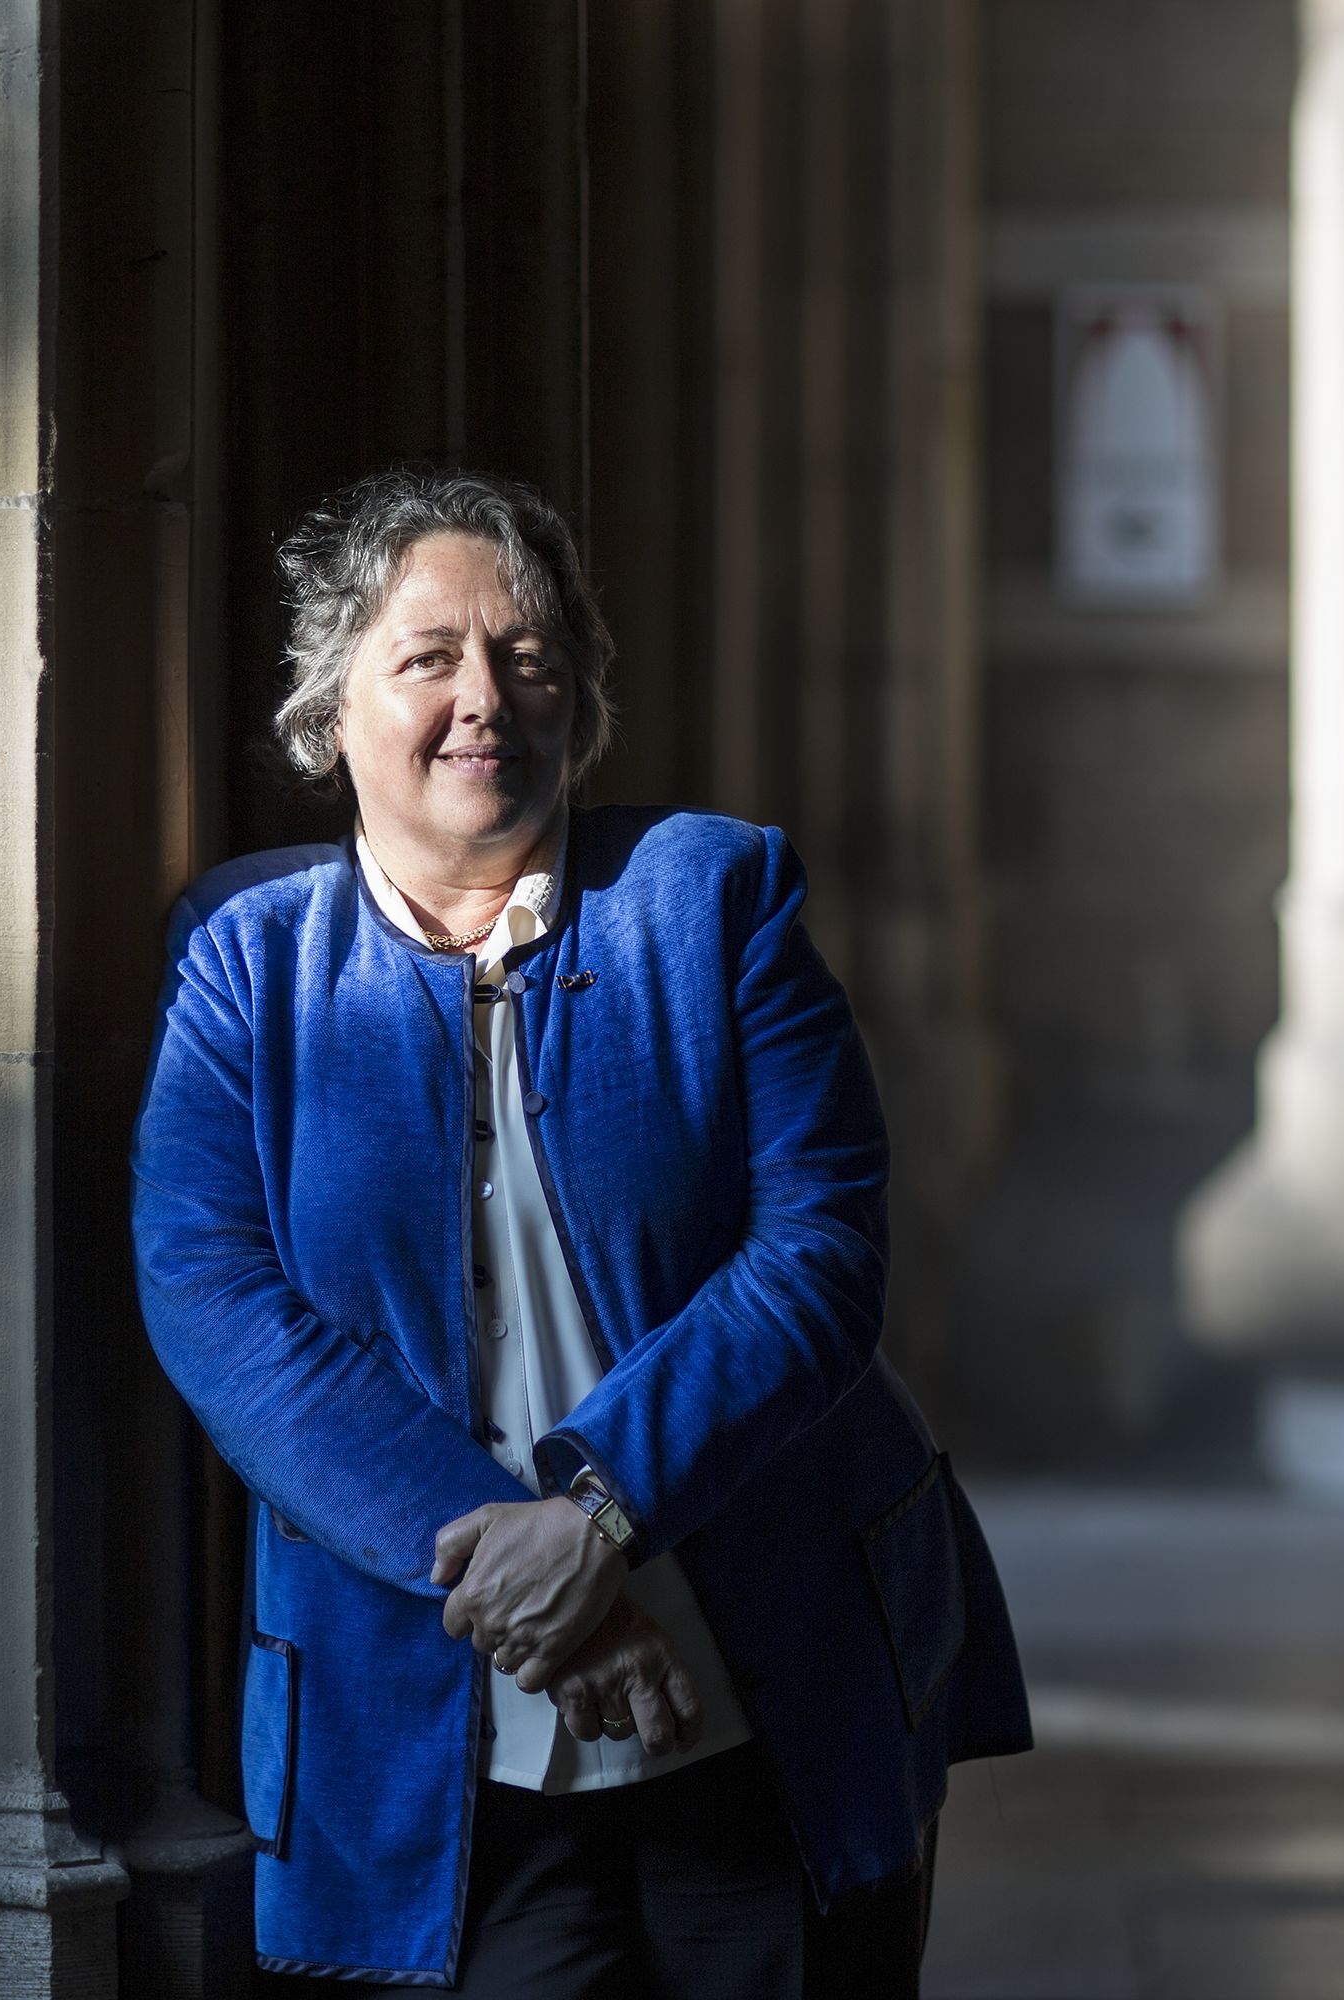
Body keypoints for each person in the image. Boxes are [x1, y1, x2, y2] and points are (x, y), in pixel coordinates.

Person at [134, 467, 1030, 1996]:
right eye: (429, 658)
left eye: (528, 656)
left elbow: (819, 1253)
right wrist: (533, 1580)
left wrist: (596, 1517)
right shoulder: (245, 961)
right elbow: (216, 1303)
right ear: (329, 709)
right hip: (434, 1732)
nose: (485, 698)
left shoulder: (711, 898)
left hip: (765, 1688)